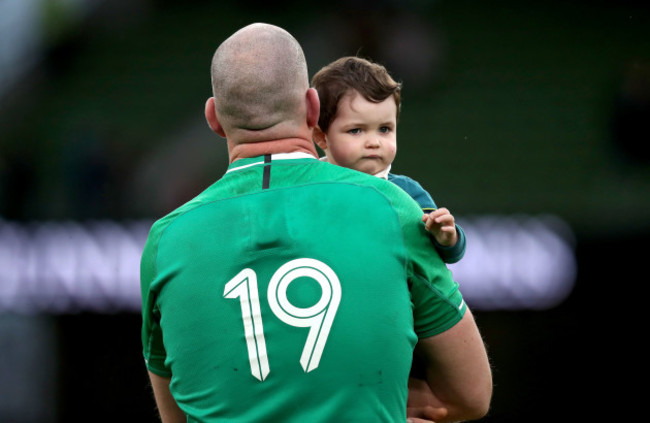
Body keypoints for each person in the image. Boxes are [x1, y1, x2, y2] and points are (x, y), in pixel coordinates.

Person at [140, 23, 492, 423]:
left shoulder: (165, 241)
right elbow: (470, 395)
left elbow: (178, 415)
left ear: (213, 117)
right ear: (312, 108)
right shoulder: (390, 206)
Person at [312, 56, 466, 264]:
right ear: (322, 137)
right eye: (356, 130)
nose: (374, 142)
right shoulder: (307, 186)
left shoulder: (407, 192)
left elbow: (445, 256)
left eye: (384, 129)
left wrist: (448, 238)